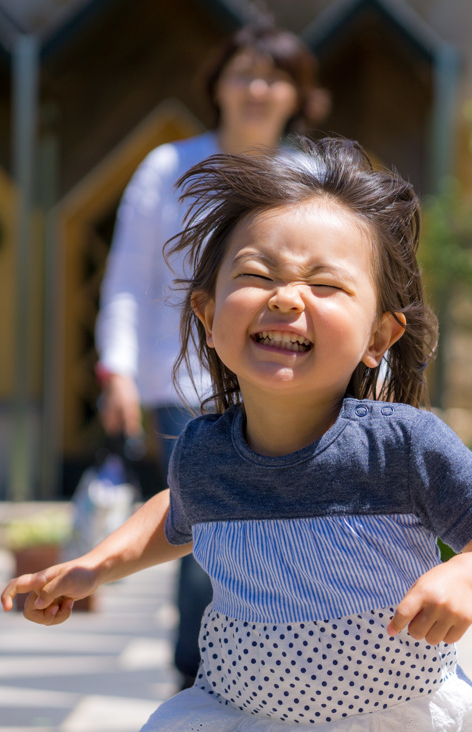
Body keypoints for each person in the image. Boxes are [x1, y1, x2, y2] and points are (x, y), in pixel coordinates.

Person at [3, 136, 472, 730]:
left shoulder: (403, 446)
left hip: (390, 716)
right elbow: (175, 512)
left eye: (327, 285)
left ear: (378, 339)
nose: (287, 297)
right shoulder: (205, 452)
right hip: (239, 713)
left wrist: (464, 577)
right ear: (209, 318)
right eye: (257, 274)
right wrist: (95, 566)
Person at [94, 19, 327, 689]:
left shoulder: (312, 175)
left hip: (287, 377)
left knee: (279, 530)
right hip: (182, 381)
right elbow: (129, 279)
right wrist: (117, 369)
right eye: (243, 73)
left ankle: (276, 664)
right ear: (217, 86)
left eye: (274, 76)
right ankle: (199, 678)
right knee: (207, 533)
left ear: (296, 95)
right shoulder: (168, 168)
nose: (258, 88)